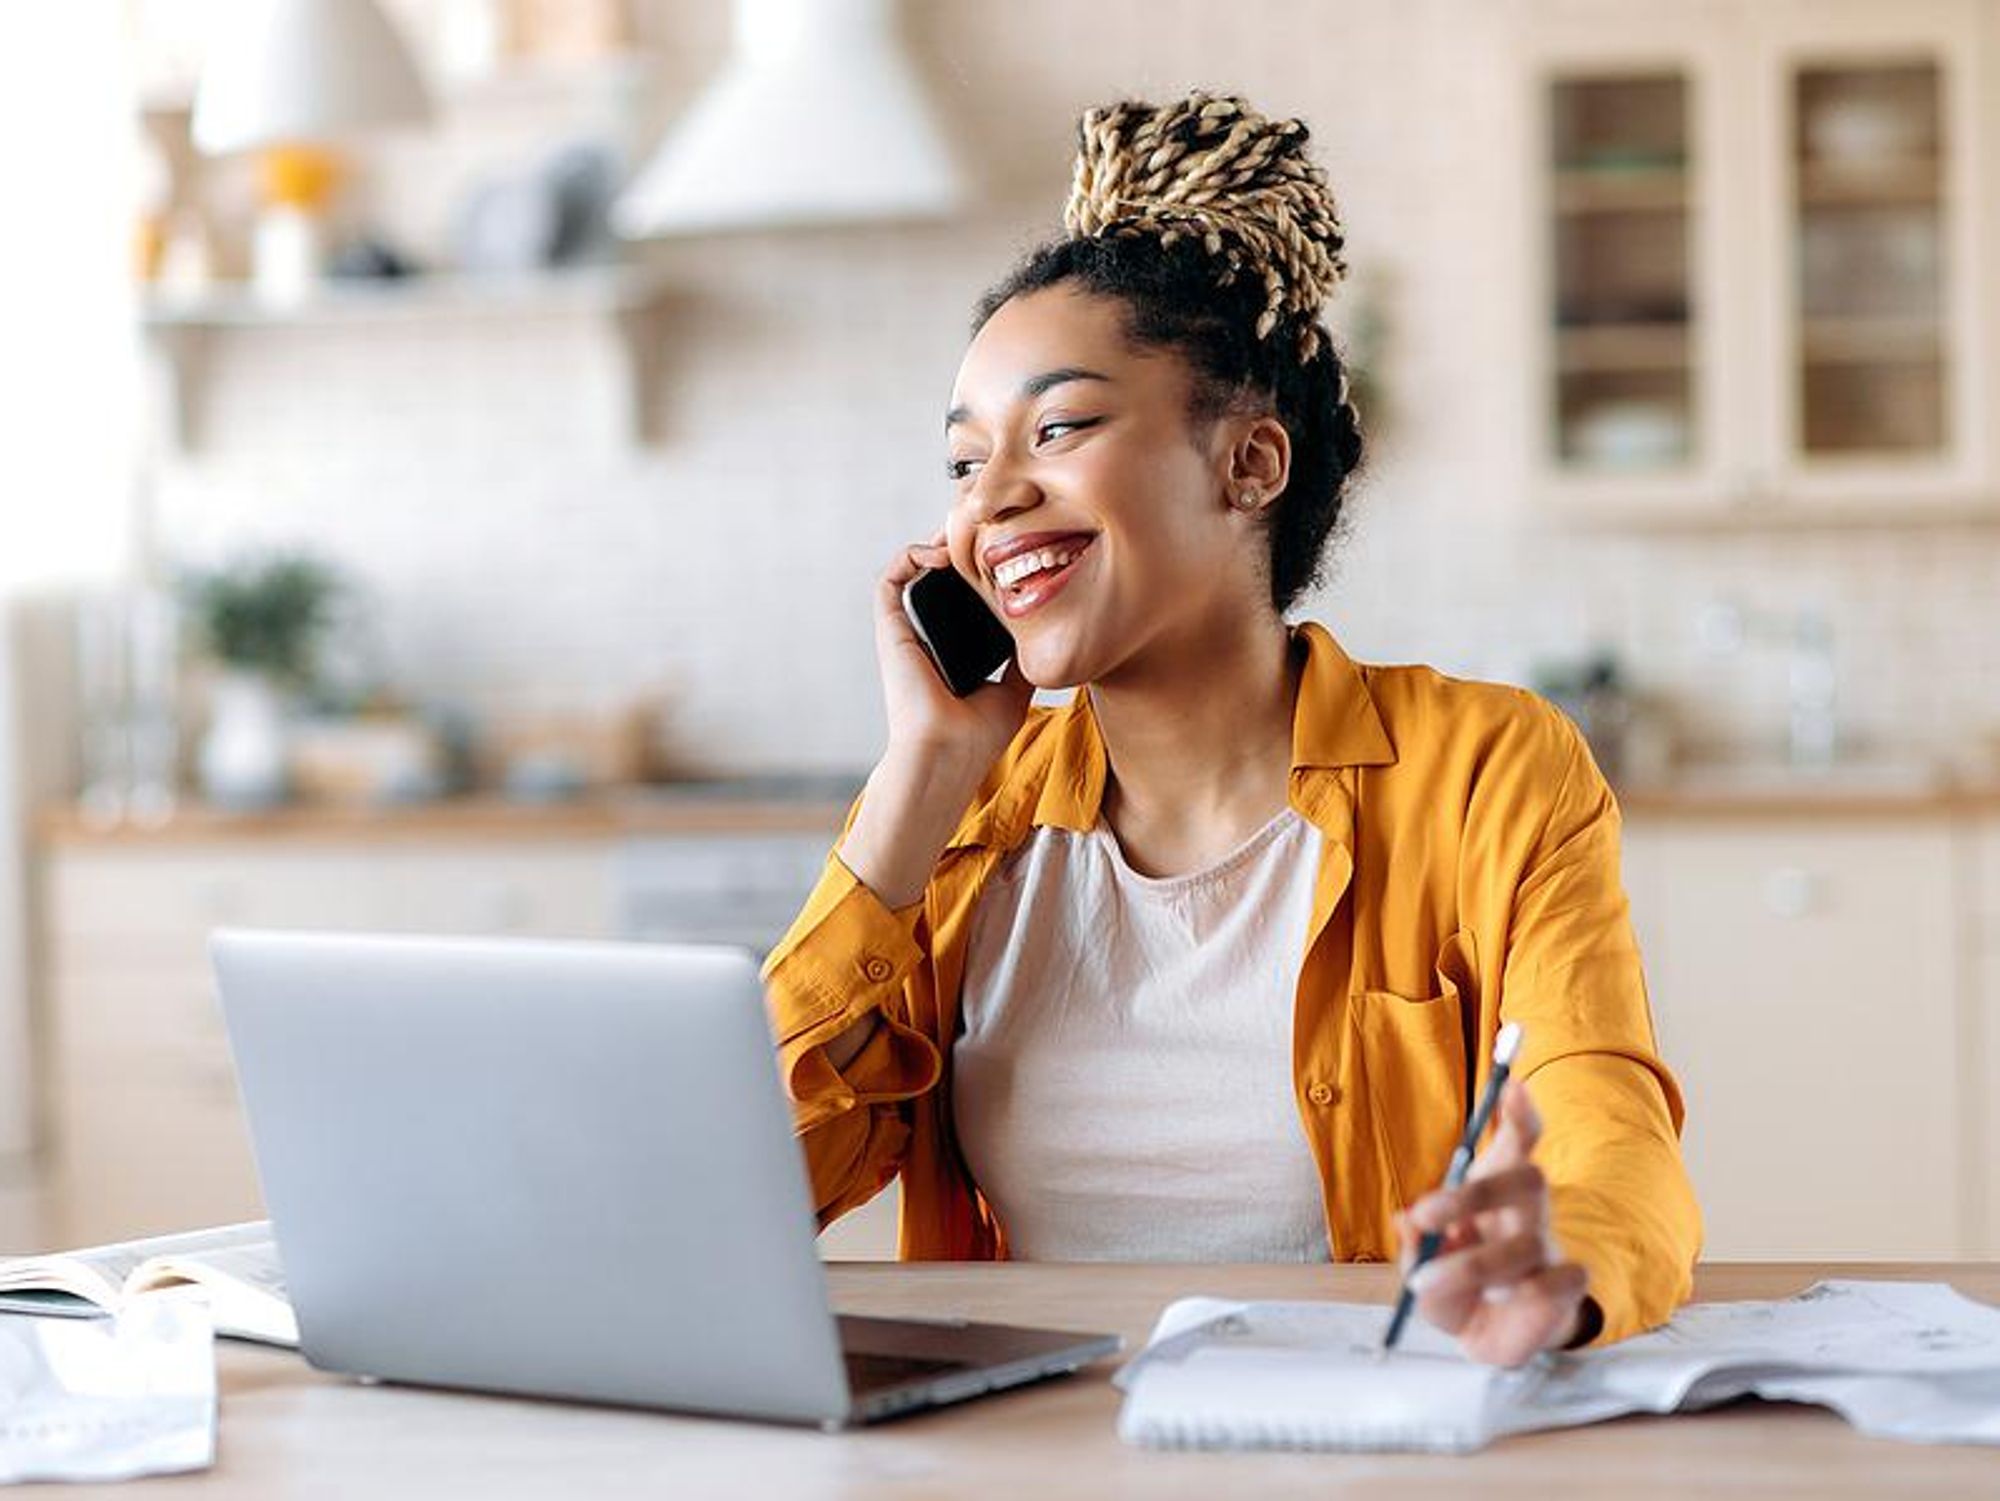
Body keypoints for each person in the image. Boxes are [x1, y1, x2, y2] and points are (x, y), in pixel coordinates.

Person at [763, 91, 1700, 1365]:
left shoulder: (1489, 770)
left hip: (1364, 1432)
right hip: (1029, 1450)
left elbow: (1601, 1113)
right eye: (962, 462)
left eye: (1059, 427)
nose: (991, 501)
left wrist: (1559, 1254)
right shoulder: (966, 820)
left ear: (1249, 466)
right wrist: (918, 776)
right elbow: (751, 1192)